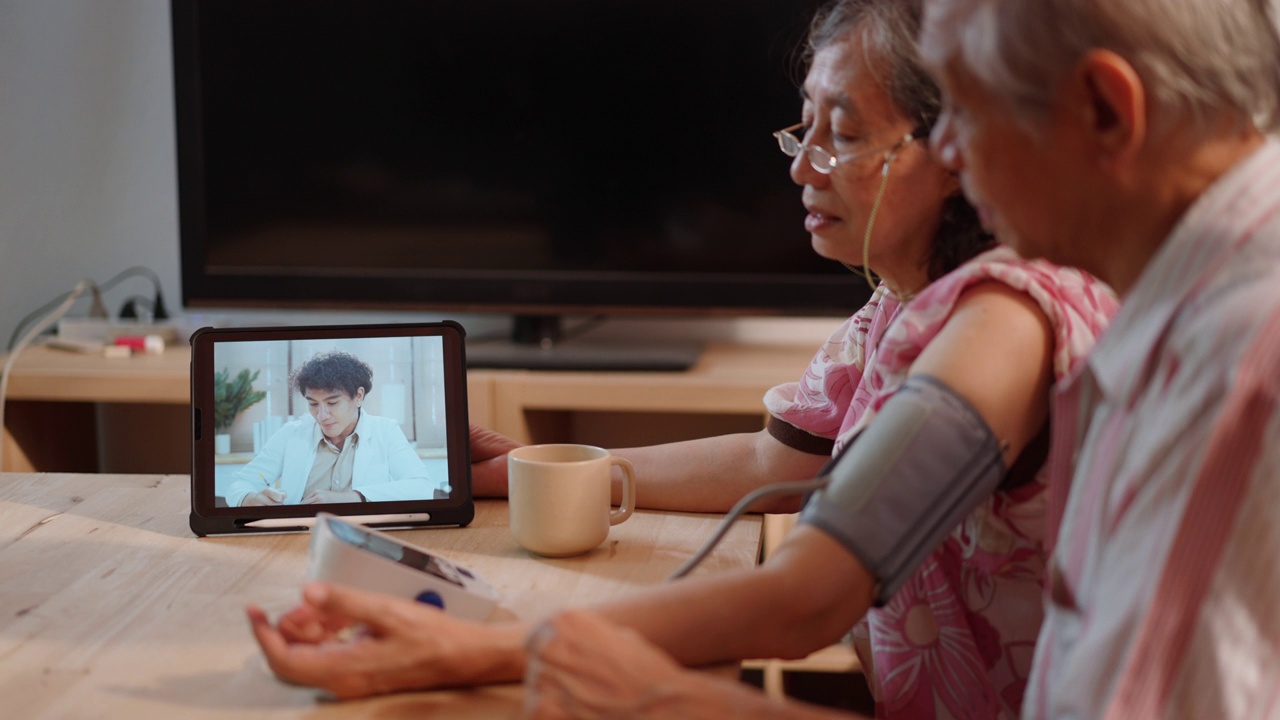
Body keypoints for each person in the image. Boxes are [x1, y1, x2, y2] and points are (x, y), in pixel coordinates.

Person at [245, 1, 1115, 717]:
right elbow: (776, 458)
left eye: (843, 134)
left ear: (959, 145)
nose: (803, 168)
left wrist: (469, 646)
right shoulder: (901, 303)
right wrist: (521, 470)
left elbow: (810, 596)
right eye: (802, 127)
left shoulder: (1001, 325)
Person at [914, 0, 1280, 717]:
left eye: (965, 107)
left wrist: (659, 695)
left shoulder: (1236, 373)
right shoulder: (1180, 307)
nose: (943, 149)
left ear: (1105, 111)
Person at [224, 350, 449, 507]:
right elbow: (240, 483)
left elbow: (421, 487)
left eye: (332, 403)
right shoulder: (290, 434)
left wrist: (352, 497)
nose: (322, 415)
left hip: (365, 538)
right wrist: (248, 498)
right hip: (299, 536)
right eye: (313, 404)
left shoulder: (385, 431)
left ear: (358, 396)